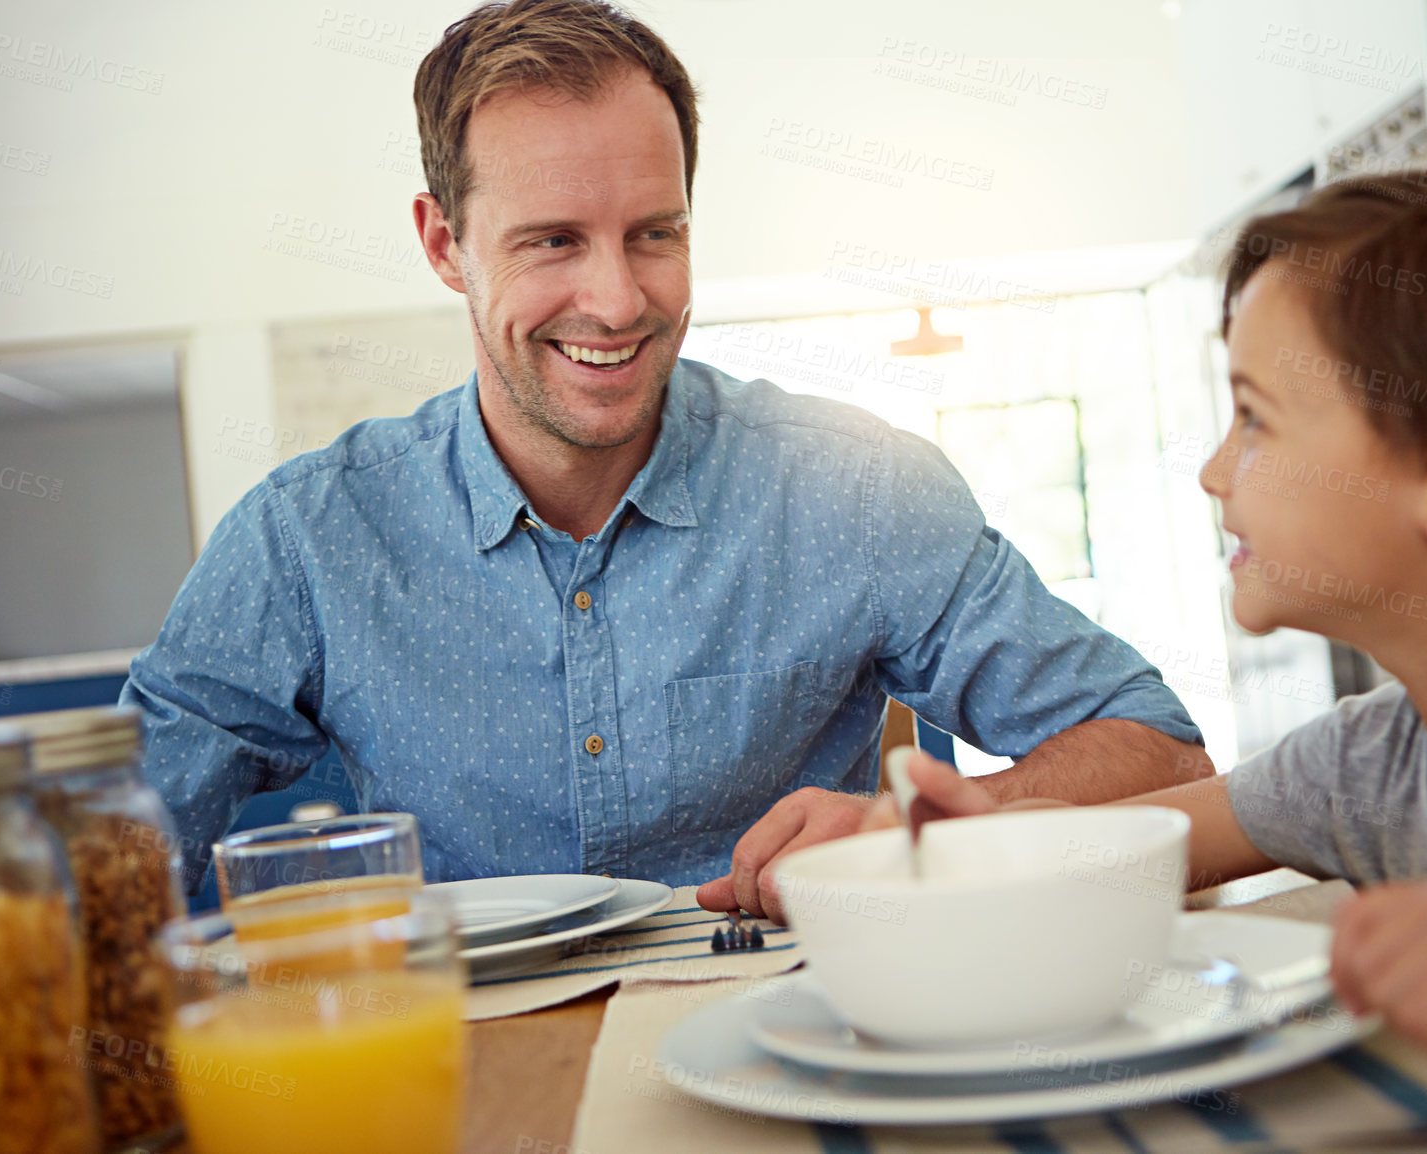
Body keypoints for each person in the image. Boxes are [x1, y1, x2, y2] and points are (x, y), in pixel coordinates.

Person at [122, 0, 1212, 898]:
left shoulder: (854, 488)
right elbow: (109, 861)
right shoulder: (307, 539)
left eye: (656, 232)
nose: (617, 299)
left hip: (799, 1054)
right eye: (553, 240)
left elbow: (1158, 748)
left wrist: (923, 830)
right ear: (445, 245)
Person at [871, 171, 1427, 1108]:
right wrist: (976, 836)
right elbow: (1133, 846)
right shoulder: (1366, 764)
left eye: (1257, 418)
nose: (1211, 469)